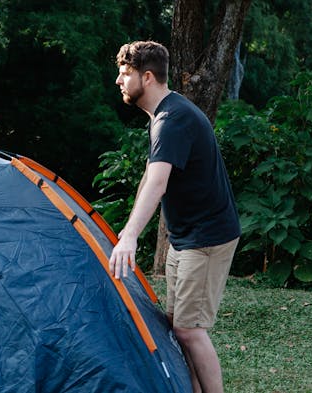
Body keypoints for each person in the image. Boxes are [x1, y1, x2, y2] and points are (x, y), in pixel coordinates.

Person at [109, 41, 241, 393]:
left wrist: (132, 236)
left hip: (208, 237)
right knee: (176, 323)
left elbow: (158, 182)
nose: (119, 81)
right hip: (186, 236)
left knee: (189, 329)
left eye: (125, 74)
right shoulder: (163, 115)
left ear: (147, 77)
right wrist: (126, 230)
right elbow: (150, 175)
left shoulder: (172, 120)